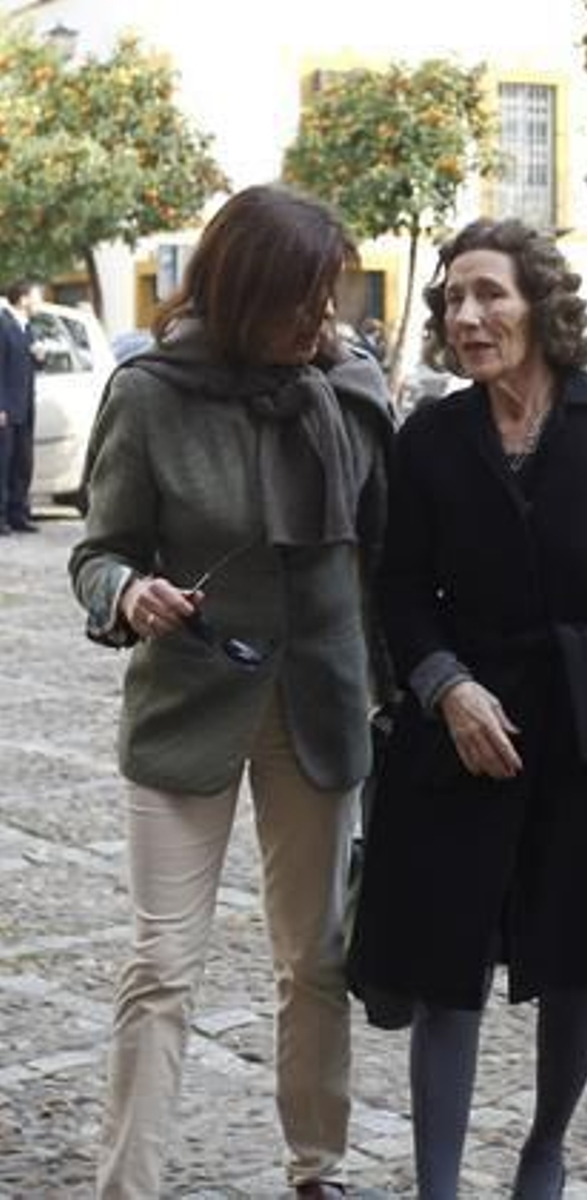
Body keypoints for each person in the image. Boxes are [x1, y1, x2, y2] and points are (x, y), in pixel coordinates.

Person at [346, 218, 587, 1199]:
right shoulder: (431, 437)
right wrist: (445, 686)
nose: (467, 316)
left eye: (489, 294)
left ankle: (545, 1147)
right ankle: (436, 1187)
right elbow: (398, 587)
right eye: (453, 299)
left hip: (586, 723)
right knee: (443, 954)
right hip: (461, 726)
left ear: (540, 306)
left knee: (573, 956)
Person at [68, 185, 394, 1199]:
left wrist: (410, 684)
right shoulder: (151, 394)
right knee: (161, 966)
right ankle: (128, 1187)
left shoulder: (352, 389)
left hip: (321, 705)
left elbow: (387, 559)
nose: (319, 321)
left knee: (316, 958)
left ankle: (318, 1169)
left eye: (326, 298)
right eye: (299, 301)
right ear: (241, 289)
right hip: (190, 706)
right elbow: (99, 552)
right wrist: (131, 593)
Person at [0, 280, 43, 533]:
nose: (39, 302)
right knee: (3, 463)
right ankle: (1, 516)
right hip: (7, 407)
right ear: (23, 298)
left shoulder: (28, 328)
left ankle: (19, 513)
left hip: (26, 406)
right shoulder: (3, 325)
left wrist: (39, 357)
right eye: (37, 297)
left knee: (23, 462)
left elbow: (29, 367)